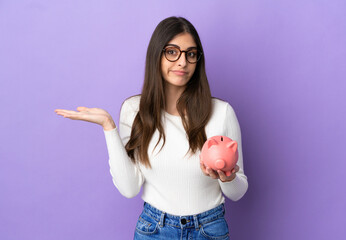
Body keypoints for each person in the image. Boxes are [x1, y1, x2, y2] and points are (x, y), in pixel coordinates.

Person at [55, 16, 248, 240]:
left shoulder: (221, 112)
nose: (182, 62)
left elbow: (238, 192)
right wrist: (109, 127)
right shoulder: (133, 110)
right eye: (172, 52)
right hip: (155, 230)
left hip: (209, 229)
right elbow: (129, 189)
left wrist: (226, 176)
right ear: (156, 55)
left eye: (191, 54)